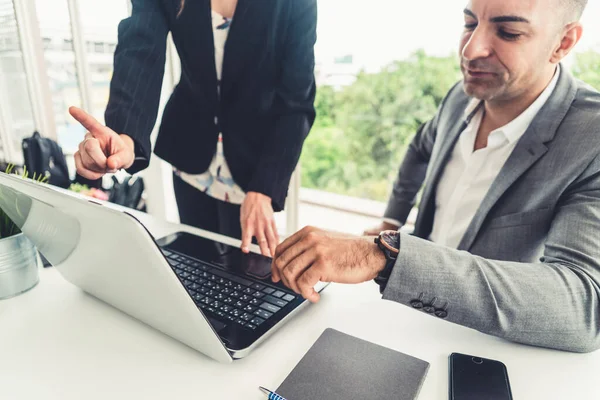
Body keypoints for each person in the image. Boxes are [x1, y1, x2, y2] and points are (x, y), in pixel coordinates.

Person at [272, 0, 600, 353]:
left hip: (485, 351)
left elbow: (583, 306)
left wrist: (385, 255)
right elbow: (419, 150)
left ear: (564, 43)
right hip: (409, 321)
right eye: (469, 23)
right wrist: (390, 218)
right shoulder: (461, 96)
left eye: (508, 32)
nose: (471, 49)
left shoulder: (591, 138)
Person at [69, 0, 317, 258]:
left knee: (249, 274)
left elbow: (297, 102)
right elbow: (139, 51)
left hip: (256, 166)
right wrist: (125, 135)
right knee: (197, 265)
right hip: (190, 153)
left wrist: (266, 186)